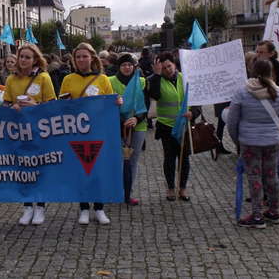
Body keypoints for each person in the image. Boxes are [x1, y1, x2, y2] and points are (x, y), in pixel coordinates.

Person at [60, 42, 120, 225]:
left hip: (98, 130)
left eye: (84, 56)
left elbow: (110, 103)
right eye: (78, 57)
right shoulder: (68, 79)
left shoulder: (102, 79)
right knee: (81, 171)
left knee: (98, 170)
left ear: (92, 58)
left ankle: (99, 208)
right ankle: (84, 208)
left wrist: (117, 102)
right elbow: (62, 104)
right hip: (77, 131)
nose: (81, 60)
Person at [227, 59, 279, 228]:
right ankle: (274, 211)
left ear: (253, 71)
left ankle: (256, 215)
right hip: (272, 141)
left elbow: (232, 121)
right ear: (271, 72)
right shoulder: (278, 92)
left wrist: (237, 140)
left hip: (250, 141)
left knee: (254, 177)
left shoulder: (242, 92)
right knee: (271, 175)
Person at [3, 44, 56, 225]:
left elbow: (52, 105)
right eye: (21, 57)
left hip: (39, 129)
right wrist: (12, 107)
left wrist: (35, 106)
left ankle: (40, 206)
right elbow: (5, 104)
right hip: (18, 130)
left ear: (35, 60)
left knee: (39, 168)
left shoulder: (43, 77)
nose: (24, 60)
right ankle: (27, 207)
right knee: (23, 169)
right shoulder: (11, 79)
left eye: (28, 57)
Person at [148, 52, 192, 202]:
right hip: (166, 126)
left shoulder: (184, 78)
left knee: (184, 158)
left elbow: (195, 99)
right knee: (169, 159)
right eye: (164, 68)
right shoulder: (156, 80)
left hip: (184, 125)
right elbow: (154, 95)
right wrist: (156, 75)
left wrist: (193, 113)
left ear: (174, 65)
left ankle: (183, 188)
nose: (167, 70)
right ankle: (171, 188)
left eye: (169, 66)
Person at [109, 53, 147, 206]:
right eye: (124, 65)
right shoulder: (110, 81)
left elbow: (146, 104)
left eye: (130, 65)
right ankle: (117, 191)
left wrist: (137, 118)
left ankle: (128, 193)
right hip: (117, 126)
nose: (127, 67)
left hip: (138, 126)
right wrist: (121, 120)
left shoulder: (142, 81)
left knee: (133, 160)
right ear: (119, 67)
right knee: (118, 160)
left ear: (134, 66)